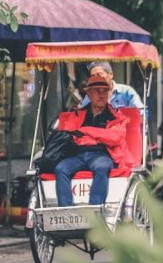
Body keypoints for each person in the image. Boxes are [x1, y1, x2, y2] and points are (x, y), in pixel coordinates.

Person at [53, 68, 133, 207]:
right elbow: (71, 134)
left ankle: (95, 210)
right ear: (89, 94)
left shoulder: (116, 115)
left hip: (103, 154)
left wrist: (87, 131)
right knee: (61, 168)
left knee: (101, 167)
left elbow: (114, 138)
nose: (101, 95)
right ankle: (66, 211)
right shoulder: (77, 114)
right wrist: (99, 135)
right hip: (78, 154)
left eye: (105, 91)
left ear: (109, 94)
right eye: (97, 91)